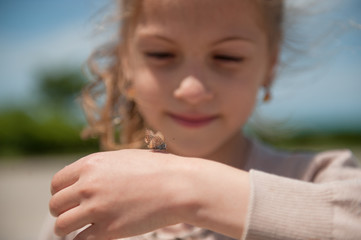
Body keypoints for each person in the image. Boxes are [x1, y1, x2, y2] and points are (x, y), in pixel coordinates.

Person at [42, 0, 361, 240]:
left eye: (227, 57)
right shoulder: (92, 200)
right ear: (127, 62)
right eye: (160, 54)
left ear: (270, 66)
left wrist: (184, 189)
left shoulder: (313, 178)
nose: (192, 90)